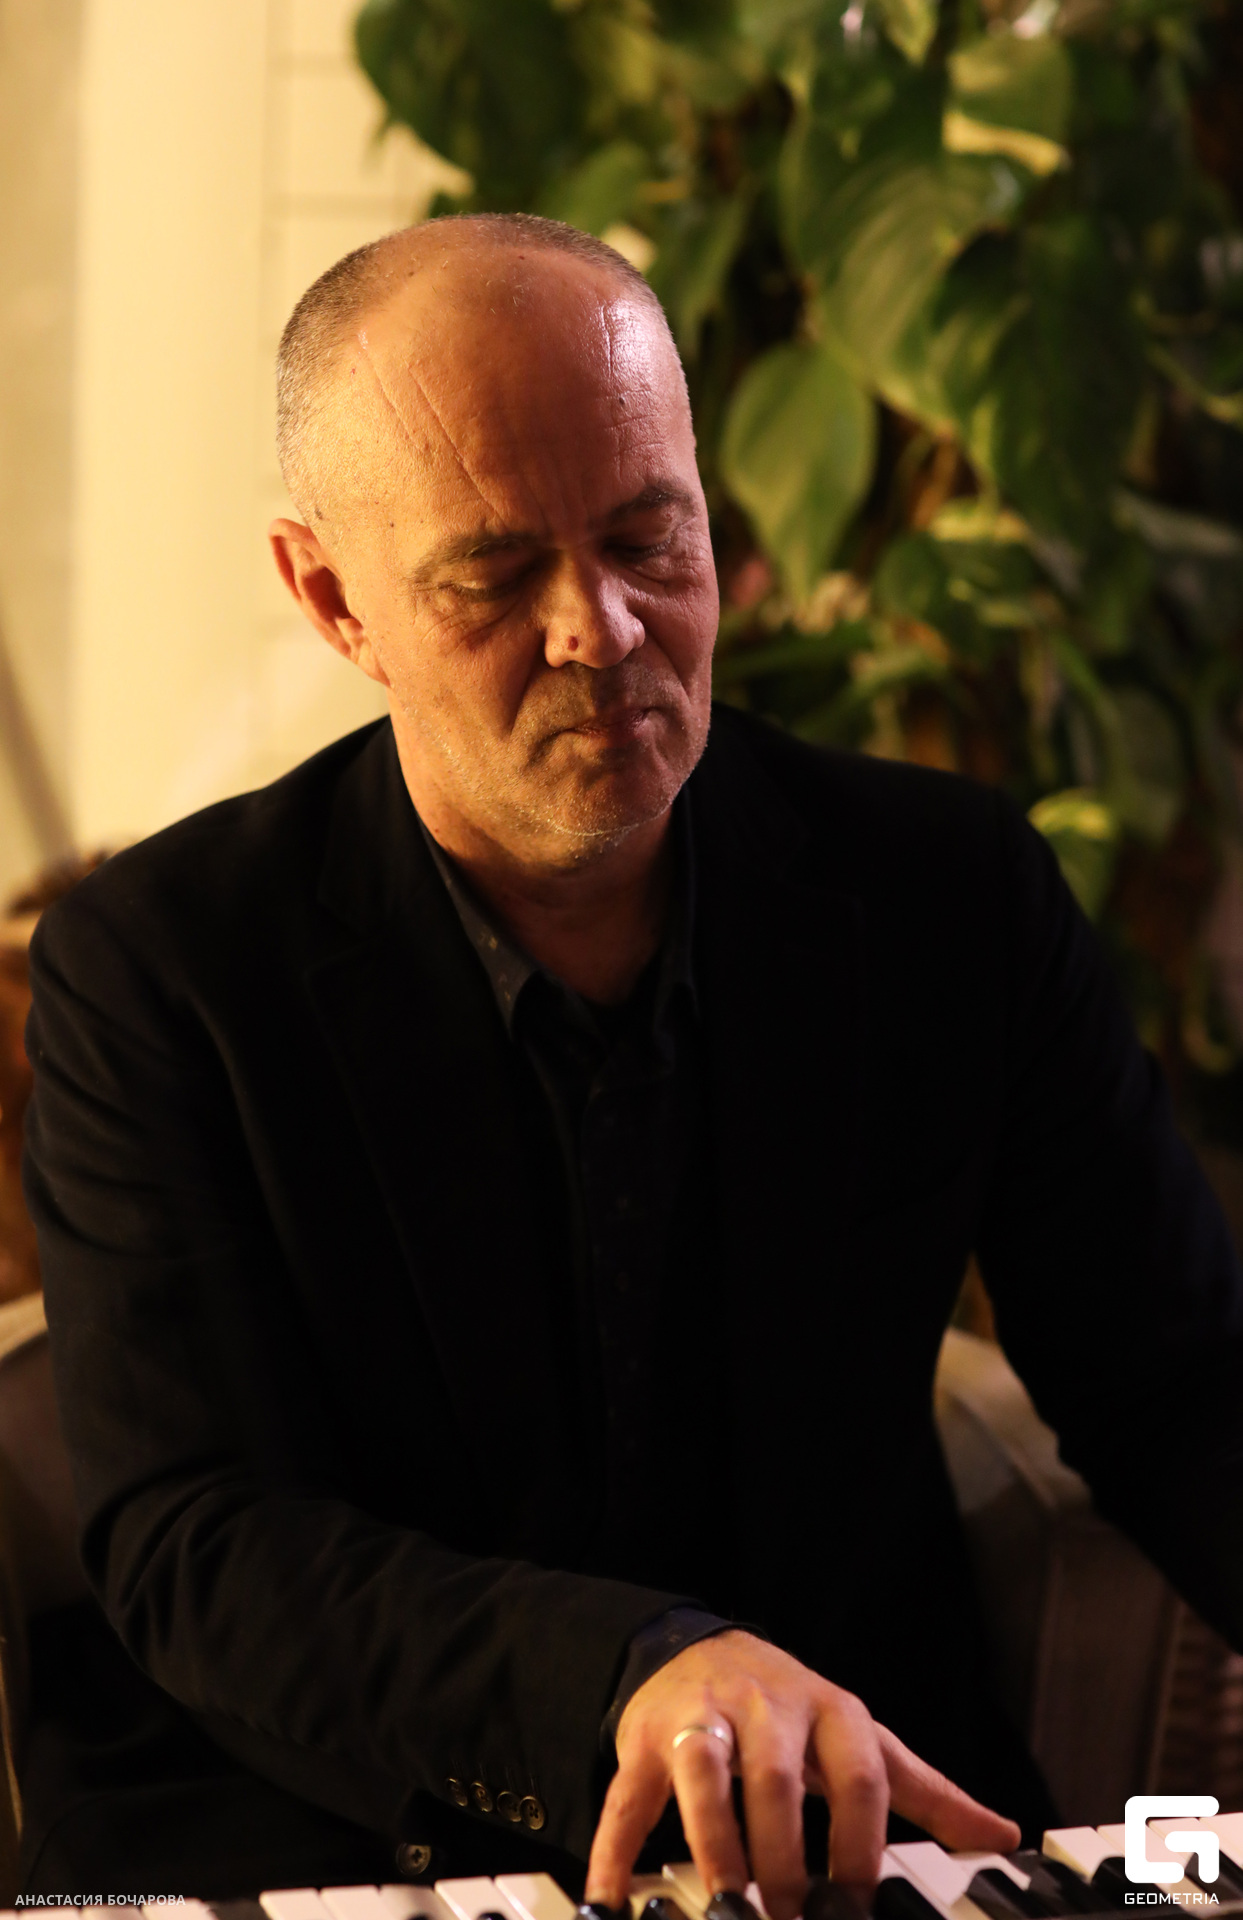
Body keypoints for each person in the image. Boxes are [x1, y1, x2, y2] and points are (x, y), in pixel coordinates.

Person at [22, 215, 1243, 1907]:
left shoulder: (949, 897)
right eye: (492, 576)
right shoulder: (159, 971)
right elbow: (201, 1543)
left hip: (844, 1829)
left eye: (648, 540)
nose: (598, 630)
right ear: (334, 598)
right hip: (331, 1832)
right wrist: (630, 1671)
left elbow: (1177, 1381)